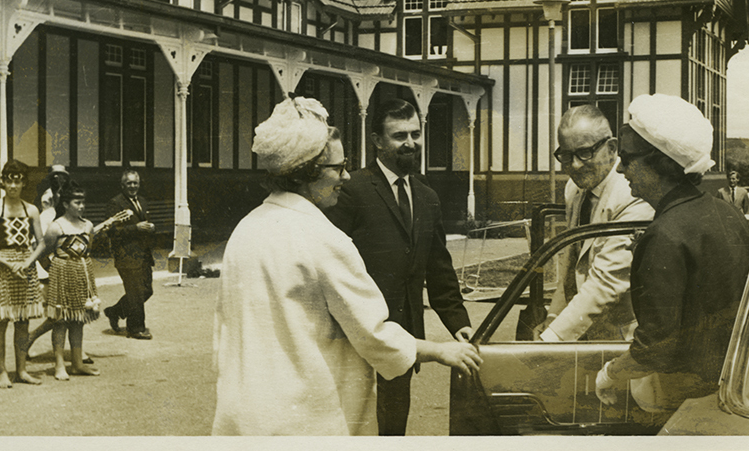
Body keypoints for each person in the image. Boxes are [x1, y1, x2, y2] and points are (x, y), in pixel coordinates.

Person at [212, 96, 480, 436]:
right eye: (338, 168)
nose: (346, 176)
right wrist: (441, 351)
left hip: (244, 412)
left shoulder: (245, 230)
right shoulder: (324, 238)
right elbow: (374, 334)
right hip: (303, 416)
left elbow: (223, 332)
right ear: (307, 172)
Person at [594, 93, 749, 423]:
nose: (620, 167)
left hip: (684, 402)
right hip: (735, 389)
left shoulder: (665, 233)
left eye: (628, 158)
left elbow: (655, 347)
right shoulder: (728, 213)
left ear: (663, 163)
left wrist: (609, 373)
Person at [324, 98, 472, 436]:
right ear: (377, 140)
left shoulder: (427, 197)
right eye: (399, 135)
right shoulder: (352, 192)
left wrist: (459, 324)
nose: (410, 143)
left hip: (404, 343)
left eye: (415, 134)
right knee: (353, 424)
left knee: (392, 430)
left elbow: (439, 272)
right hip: (356, 339)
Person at [536, 105, 654, 342]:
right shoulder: (574, 188)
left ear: (611, 148)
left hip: (623, 338)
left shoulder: (633, 195)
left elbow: (606, 281)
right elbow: (571, 261)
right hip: (583, 332)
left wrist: (549, 341)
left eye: (585, 153)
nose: (575, 165)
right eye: (566, 156)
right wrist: (553, 317)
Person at [0, 159, 45, 388]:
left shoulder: (32, 209)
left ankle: (22, 370)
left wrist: (26, 262)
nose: (13, 186)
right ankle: (2, 373)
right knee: (0, 320)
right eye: (9, 180)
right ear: (2, 182)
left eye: (18, 181)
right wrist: (8, 263)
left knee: (23, 320)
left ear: (24, 183)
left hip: (25, 268)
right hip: (0, 268)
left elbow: (41, 244)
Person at [39, 180, 105, 380]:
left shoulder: (88, 226)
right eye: (77, 202)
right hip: (61, 278)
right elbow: (44, 254)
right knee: (60, 321)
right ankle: (59, 364)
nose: (81, 206)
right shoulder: (56, 227)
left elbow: (87, 251)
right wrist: (55, 271)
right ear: (66, 204)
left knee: (78, 321)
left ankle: (76, 363)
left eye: (83, 202)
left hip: (82, 277)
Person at [103, 170, 156, 340]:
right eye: (129, 183)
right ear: (122, 185)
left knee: (147, 290)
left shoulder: (142, 201)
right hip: (126, 256)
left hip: (143, 255)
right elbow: (111, 231)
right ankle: (135, 328)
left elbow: (143, 223)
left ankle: (114, 311)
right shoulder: (115, 203)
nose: (133, 186)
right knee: (135, 293)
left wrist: (150, 228)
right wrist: (136, 228)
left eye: (136, 183)